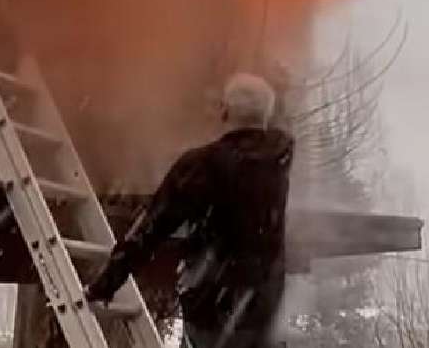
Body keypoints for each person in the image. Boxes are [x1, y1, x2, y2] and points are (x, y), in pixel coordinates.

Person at [86, 73, 294, 348]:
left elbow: (150, 229)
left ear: (225, 111)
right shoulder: (278, 161)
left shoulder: (202, 165)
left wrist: (104, 285)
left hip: (212, 306)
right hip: (263, 305)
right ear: (265, 117)